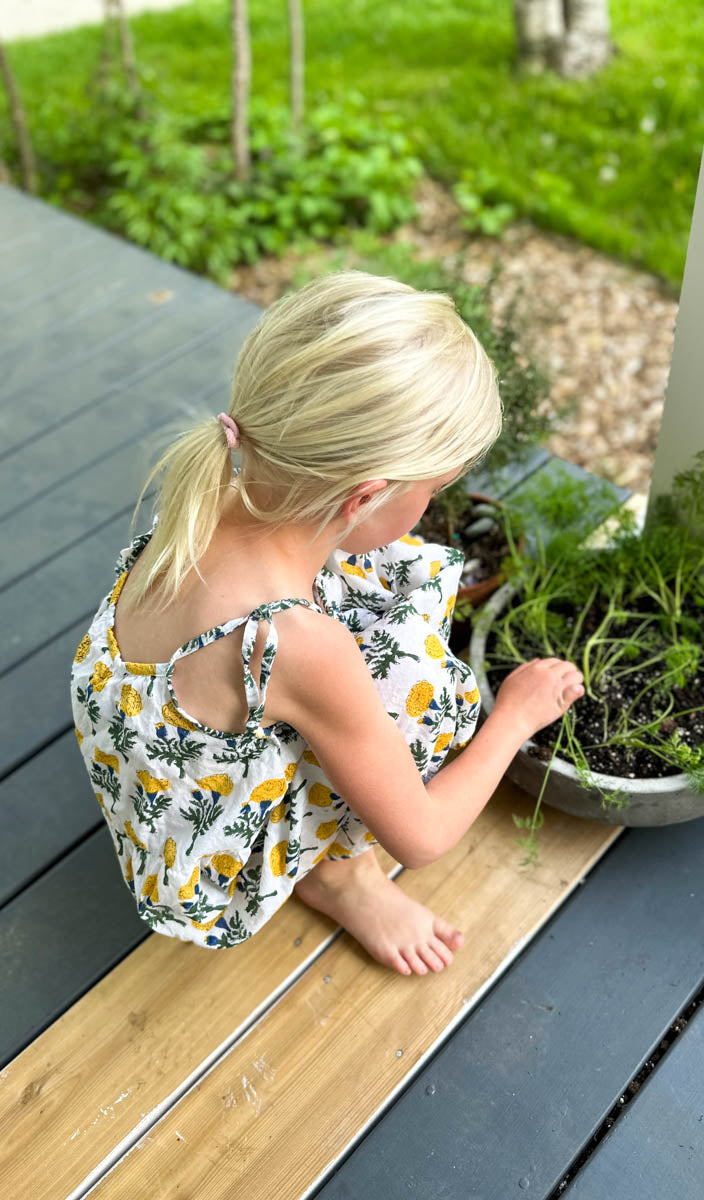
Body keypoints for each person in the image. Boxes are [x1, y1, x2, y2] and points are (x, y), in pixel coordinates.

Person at [69, 270, 584, 976]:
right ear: (365, 496)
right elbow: (424, 837)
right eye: (435, 488)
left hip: (149, 765)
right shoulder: (298, 645)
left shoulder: (215, 484)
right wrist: (515, 719)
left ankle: (329, 857)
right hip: (206, 846)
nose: (438, 503)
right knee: (419, 691)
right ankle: (339, 875)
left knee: (367, 603)